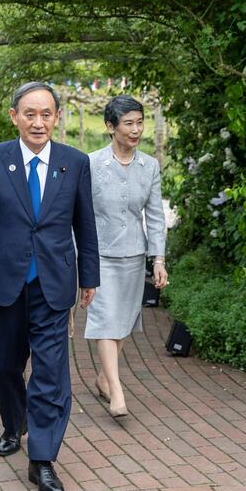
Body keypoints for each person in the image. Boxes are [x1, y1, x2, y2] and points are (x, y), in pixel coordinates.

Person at [0, 82, 100, 491]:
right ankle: (12, 423)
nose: (39, 122)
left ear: (57, 117)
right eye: (30, 114)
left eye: (46, 114)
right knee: (4, 364)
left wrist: (88, 275)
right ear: (14, 116)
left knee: (51, 373)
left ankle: (42, 460)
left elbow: (85, 224)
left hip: (54, 283)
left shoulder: (74, 163)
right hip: (3, 281)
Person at [86, 94, 168, 418]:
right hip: (100, 254)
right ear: (111, 126)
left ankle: (103, 377)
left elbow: (156, 217)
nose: (136, 130)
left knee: (122, 325)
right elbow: (80, 213)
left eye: (140, 122)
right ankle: (116, 390)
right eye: (128, 123)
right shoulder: (91, 164)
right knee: (106, 320)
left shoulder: (150, 166)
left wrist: (157, 259)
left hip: (134, 254)